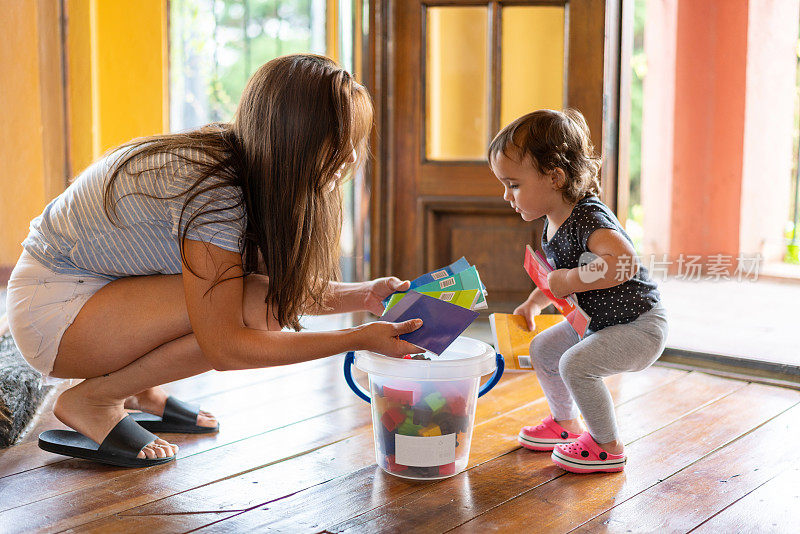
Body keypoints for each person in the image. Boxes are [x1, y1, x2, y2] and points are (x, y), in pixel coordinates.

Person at [5, 54, 422, 468]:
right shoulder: (214, 191)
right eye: (337, 140)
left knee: (257, 296)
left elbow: (276, 290)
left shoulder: (243, 160)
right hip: (52, 313)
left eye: (354, 140)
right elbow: (227, 345)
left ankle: (134, 388)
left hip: (94, 296)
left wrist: (366, 295)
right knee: (258, 307)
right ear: (296, 136)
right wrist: (357, 339)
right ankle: (96, 398)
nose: (349, 157)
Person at [488, 109, 668, 473]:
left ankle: (607, 445)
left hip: (638, 326)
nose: (507, 195)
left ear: (554, 177)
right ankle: (565, 424)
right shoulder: (553, 221)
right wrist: (536, 300)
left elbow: (623, 262)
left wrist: (569, 280)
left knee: (576, 364)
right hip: (600, 321)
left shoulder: (589, 217)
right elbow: (555, 276)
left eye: (514, 184)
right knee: (544, 348)